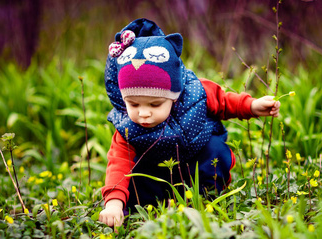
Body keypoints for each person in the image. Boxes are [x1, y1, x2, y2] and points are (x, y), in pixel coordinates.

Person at [98, 19, 280, 228]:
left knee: (215, 149)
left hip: (190, 169)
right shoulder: (127, 127)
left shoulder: (195, 93)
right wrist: (113, 203)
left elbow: (224, 101)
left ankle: (206, 197)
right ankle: (147, 205)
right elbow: (118, 165)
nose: (144, 113)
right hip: (155, 176)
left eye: (155, 104)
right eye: (134, 104)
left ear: (174, 96)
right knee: (133, 178)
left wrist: (252, 106)